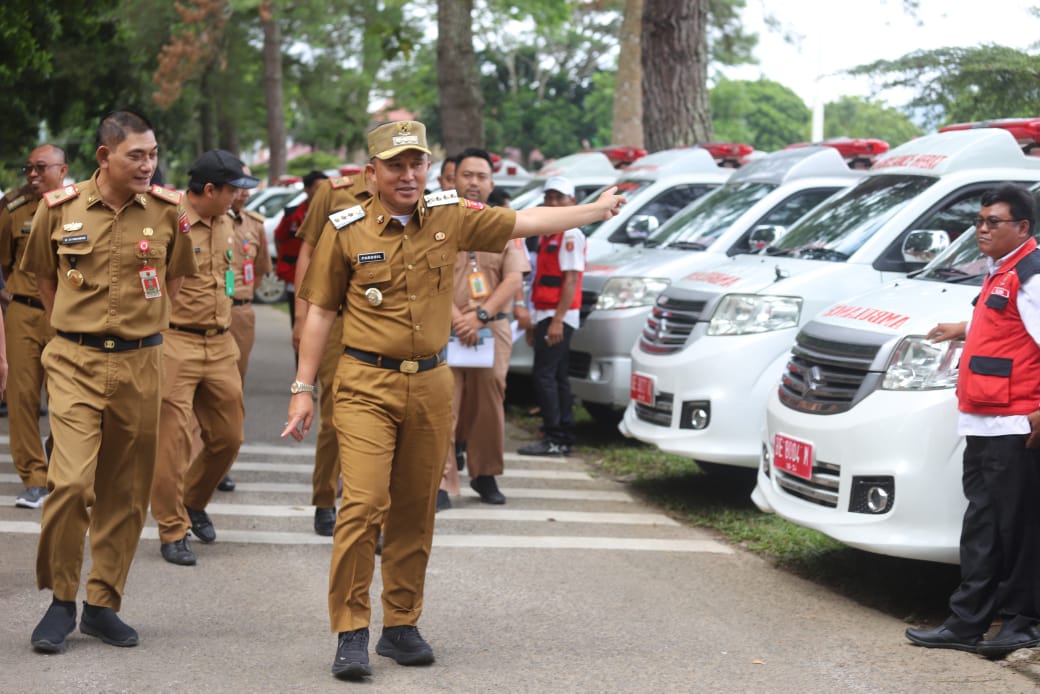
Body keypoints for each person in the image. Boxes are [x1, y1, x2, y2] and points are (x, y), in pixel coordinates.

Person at [281, 120, 624, 681]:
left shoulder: (449, 215)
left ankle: (400, 625)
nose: (408, 174)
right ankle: (349, 630)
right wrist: (301, 389)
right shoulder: (346, 229)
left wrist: (593, 209)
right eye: (395, 165)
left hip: (431, 384)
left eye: (416, 163)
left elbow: (527, 220)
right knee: (364, 505)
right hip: (366, 383)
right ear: (372, 173)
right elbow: (319, 310)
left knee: (416, 507)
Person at [22, 109, 196, 653]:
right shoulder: (60, 209)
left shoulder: (169, 213)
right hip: (75, 360)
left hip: (142, 364)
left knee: (126, 490)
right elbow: (45, 279)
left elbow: (172, 278)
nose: (149, 164)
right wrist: (75, 331)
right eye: (136, 155)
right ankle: (60, 600)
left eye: (154, 154)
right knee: (71, 483)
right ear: (105, 157)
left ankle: (102, 604)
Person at [907, 183, 1040, 659]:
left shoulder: (1031, 273)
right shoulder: (998, 271)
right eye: (979, 222)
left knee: (1019, 529)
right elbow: (1010, 325)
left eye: (993, 223)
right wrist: (961, 329)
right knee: (981, 525)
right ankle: (967, 622)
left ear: (1022, 228)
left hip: (1015, 425)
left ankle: (1023, 621)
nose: (982, 230)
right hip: (982, 421)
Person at [149, 149, 258, 567]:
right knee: (172, 444)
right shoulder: (167, 220)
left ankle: (194, 500)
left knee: (229, 437)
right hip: (176, 341)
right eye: (232, 191)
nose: (237, 198)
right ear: (209, 189)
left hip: (220, 342)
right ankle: (172, 529)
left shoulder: (228, 223)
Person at [439, 147, 528, 508]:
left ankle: (485, 473)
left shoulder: (506, 223)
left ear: (491, 183)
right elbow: (425, 277)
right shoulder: (435, 221)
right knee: (443, 405)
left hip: (492, 330)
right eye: (466, 175)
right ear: (452, 179)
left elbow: (514, 279)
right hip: (444, 328)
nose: (473, 183)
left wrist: (481, 316)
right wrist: (457, 318)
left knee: (489, 403)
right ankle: (441, 483)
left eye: (481, 177)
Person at [292, 170, 371, 536]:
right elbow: (307, 251)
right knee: (335, 417)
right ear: (372, 166)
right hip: (336, 319)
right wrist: (301, 314)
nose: (405, 171)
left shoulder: (412, 196)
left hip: (386, 325)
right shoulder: (334, 192)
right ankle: (325, 499)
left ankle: (370, 507)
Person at [0, 144, 64, 508]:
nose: (33, 175)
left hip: (64, 315)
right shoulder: (13, 211)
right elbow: (2, 265)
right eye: (28, 169)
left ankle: (60, 463)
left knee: (66, 399)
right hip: (22, 311)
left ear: (63, 169)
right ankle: (34, 477)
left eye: (41, 167)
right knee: (21, 397)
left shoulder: (77, 209)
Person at [517, 176, 586, 457]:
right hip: (547, 313)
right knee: (555, 376)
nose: (554, 203)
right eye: (549, 198)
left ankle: (555, 436)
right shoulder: (549, 233)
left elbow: (571, 281)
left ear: (572, 202)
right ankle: (561, 434)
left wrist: (557, 320)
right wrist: (536, 318)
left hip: (559, 316)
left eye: (560, 198)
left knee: (545, 375)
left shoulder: (570, 234)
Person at [217, 166, 273, 493]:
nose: (245, 192)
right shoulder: (199, 219)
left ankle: (221, 464)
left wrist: (241, 300)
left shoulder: (254, 224)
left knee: (232, 390)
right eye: (240, 186)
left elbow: (261, 270)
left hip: (240, 314)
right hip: (201, 315)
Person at [274, 170, 328, 364]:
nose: (323, 191)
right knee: (301, 328)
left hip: (324, 282)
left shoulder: (336, 212)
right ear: (307, 189)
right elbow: (279, 237)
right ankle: (303, 377)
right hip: (296, 280)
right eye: (318, 187)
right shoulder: (293, 213)